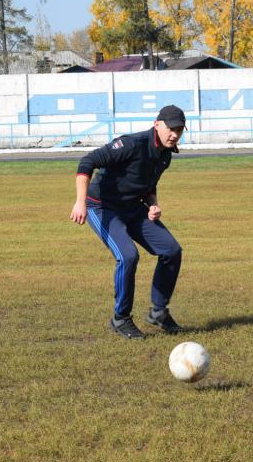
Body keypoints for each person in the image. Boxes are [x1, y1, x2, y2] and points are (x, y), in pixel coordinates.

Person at [70, 105, 186, 339]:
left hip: (133, 208)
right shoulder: (132, 143)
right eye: (171, 128)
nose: (174, 134)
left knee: (171, 250)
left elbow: (147, 184)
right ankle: (120, 318)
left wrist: (153, 203)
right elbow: (87, 161)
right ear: (157, 125)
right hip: (101, 206)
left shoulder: (165, 153)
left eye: (180, 130)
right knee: (128, 256)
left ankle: (158, 311)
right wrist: (80, 201)